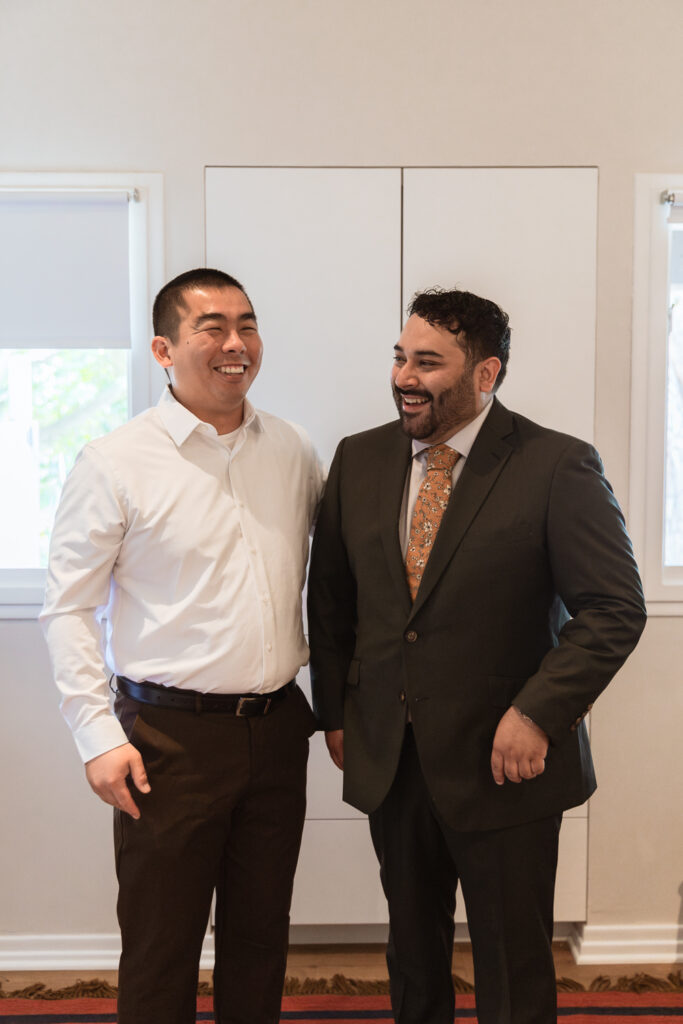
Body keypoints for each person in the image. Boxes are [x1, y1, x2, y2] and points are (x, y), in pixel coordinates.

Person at [307, 287, 646, 1024]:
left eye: (428, 363)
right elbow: (330, 601)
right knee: (411, 953)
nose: (404, 377)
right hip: (391, 758)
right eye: (399, 356)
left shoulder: (557, 464)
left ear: (485, 374)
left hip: (507, 763)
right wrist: (335, 713)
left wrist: (537, 714)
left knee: (512, 963)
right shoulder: (358, 458)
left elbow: (614, 609)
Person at [41, 268, 324, 1024]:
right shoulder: (114, 461)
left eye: (247, 325)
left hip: (277, 730)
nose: (236, 344)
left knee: (261, 939)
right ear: (164, 350)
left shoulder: (293, 448)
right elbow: (67, 607)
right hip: (167, 742)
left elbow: (335, 583)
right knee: (162, 947)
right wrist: (97, 736)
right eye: (212, 328)